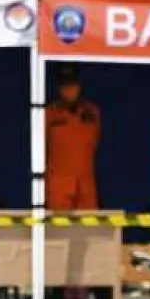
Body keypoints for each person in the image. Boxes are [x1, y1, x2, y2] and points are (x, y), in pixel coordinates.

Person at [46, 65, 101, 212]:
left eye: (72, 84)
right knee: (59, 233)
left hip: (86, 188)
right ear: (58, 88)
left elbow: (95, 143)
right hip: (58, 189)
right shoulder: (48, 114)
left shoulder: (92, 113)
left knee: (89, 231)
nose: (69, 90)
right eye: (65, 85)